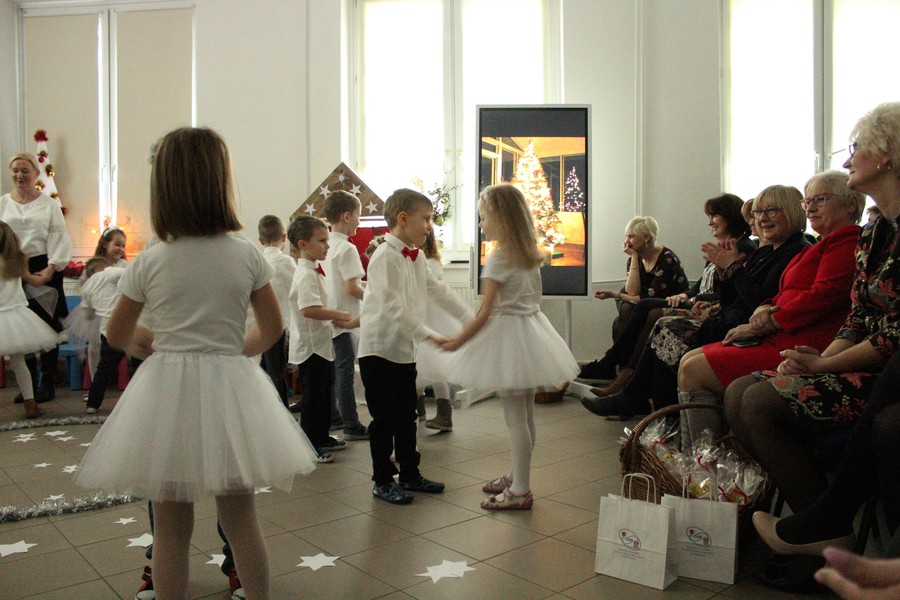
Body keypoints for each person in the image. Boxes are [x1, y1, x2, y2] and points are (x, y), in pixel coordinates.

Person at [74, 127, 318, 599]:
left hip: (167, 390)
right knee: (241, 519)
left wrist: (158, 345)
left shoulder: (151, 260)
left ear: (162, 187)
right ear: (221, 183)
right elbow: (271, 328)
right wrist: (232, 351)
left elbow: (117, 333)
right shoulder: (246, 254)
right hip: (231, 387)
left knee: (170, 527)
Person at [724, 101, 900, 514]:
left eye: (856, 148)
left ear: (887, 153)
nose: (848, 159)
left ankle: (820, 522)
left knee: (759, 401)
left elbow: (892, 333)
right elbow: (858, 317)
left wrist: (824, 365)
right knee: (737, 392)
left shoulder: (853, 237)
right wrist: (820, 362)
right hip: (856, 359)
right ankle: (811, 515)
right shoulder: (875, 233)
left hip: (883, 372)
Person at [583, 184, 810, 419]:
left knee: (663, 324)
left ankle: (645, 404)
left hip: (745, 329)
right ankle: (647, 406)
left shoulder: (793, 252)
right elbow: (732, 298)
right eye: (758, 213)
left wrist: (732, 269)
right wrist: (724, 276)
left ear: (792, 211)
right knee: (660, 325)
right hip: (726, 318)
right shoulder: (767, 251)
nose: (761, 219)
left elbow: (759, 303)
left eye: (770, 211)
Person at [676, 171, 863, 447]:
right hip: (781, 332)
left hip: (804, 342)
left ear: (850, 204)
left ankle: (703, 457)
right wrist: (764, 308)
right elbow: (776, 294)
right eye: (808, 201)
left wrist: (766, 320)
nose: (811, 207)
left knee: (694, 369)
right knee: (689, 359)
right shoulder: (817, 245)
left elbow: (823, 296)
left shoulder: (846, 240)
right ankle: (693, 454)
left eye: (820, 199)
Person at [440, 184, 580, 510]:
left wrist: (459, 341)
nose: (481, 225)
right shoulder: (529, 253)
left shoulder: (499, 258)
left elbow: (485, 312)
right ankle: (518, 475)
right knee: (525, 417)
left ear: (501, 218)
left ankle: (520, 490)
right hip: (531, 333)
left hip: (509, 338)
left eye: (483, 217)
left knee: (515, 419)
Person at [357, 188, 471, 505]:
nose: (429, 227)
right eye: (426, 219)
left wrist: (469, 318)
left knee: (407, 415)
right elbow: (393, 308)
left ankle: (410, 473)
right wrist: (429, 335)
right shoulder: (384, 257)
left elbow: (438, 291)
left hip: (404, 351)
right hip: (379, 351)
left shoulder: (416, 256)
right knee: (384, 420)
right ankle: (382, 480)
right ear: (404, 218)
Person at [581, 194, 753, 395]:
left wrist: (692, 298)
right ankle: (621, 376)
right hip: (693, 301)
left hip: (708, 308)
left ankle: (621, 376)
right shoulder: (721, 248)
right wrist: (685, 295)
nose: (709, 222)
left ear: (729, 216)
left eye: (713, 216)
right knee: (629, 312)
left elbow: (729, 294)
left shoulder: (741, 249)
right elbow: (699, 285)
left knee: (648, 309)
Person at [578, 215, 688, 383]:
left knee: (624, 315)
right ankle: (622, 371)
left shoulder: (667, 259)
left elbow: (646, 298)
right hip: (642, 306)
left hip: (667, 304)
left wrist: (615, 295)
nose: (626, 241)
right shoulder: (634, 258)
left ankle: (615, 368)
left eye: (630, 236)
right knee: (622, 316)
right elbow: (632, 291)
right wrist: (635, 258)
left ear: (646, 237)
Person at [0, 152, 73, 403]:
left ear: (35, 174)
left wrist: (52, 268)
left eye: (25, 170)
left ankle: (47, 382)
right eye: (15, 170)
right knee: (21, 328)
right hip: (12, 268)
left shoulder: (48, 204)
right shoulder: (3, 203)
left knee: (47, 325)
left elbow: (58, 236)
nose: (19, 175)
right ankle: (28, 387)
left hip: (44, 265)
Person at [288, 215, 354, 463]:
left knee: (325, 392)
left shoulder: (314, 270)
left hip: (321, 344)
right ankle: (310, 444)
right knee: (313, 398)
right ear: (303, 244)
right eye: (322, 240)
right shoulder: (305, 274)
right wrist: (339, 314)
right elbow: (309, 309)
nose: (328, 245)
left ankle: (322, 435)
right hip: (311, 347)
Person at [322, 190, 369, 440]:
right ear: (347, 216)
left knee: (333, 372)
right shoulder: (347, 248)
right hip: (345, 319)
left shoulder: (324, 244)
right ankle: (351, 425)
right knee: (345, 371)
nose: (360, 221)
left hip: (328, 315)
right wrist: (376, 298)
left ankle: (334, 417)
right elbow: (353, 287)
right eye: (359, 216)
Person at [0, 220, 59, 418]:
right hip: (16, 317)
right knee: (19, 363)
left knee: (19, 363)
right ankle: (30, 404)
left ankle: (30, 403)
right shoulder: (17, 261)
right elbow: (34, 280)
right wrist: (48, 273)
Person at [415, 228, 461, 432]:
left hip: (429, 319)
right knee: (422, 367)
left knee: (430, 367)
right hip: (428, 317)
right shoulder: (430, 260)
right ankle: (421, 410)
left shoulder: (426, 262)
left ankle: (444, 414)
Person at [80, 256, 135, 414]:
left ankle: (93, 403)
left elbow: (87, 314)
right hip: (130, 326)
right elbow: (133, 275)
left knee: (104, 368)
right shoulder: (112, 273)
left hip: (109, 331)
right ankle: (145, 397)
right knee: (140, 364)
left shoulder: (87, 287)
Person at [253, 215, 295, 407]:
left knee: (262, 370)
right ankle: (282, 411)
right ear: (284, 237)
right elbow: (296, 292)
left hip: (256, 325)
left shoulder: (257, 261)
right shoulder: (287, 262)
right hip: (279, 325)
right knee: (277, 372)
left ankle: (263, 407)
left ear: (260, 240)